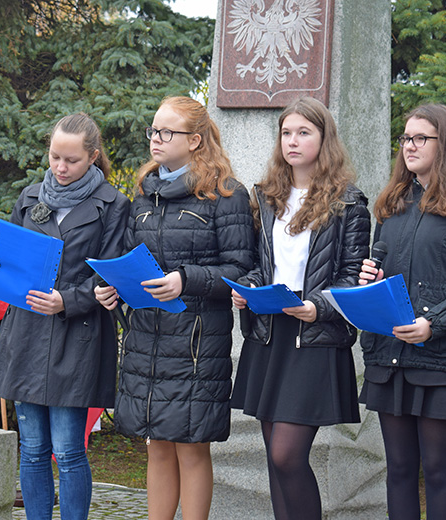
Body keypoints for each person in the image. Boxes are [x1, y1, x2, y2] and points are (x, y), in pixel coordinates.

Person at [95, 96, 255, 520]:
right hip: (147, 336)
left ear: (196, 140)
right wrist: (112, 289)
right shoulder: (145, 193)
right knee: (157, 444)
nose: (156, 140)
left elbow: (240, 268)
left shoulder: (226, 194)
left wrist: (187, 279)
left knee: (191, 445)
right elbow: (131, 258)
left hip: (196, 342)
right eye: (153, 130)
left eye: (167, 132)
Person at [358, 103, 446, 520]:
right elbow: (390, 271)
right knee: (399, 470)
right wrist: (370, 278)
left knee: (438, 472)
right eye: (405, 138)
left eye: (421, 138)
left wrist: (432, 324)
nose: (409, 145)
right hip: (391, 357)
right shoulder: (395, 201)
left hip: (440, 361)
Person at [228, 97, 371, 520]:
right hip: (269, 334)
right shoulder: (268, 196)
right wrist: (249, 288)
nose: (292, 141)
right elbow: (259, 264)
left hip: (314, 339)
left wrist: (318, 307)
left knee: (288, 455)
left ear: (324, 140)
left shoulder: (349, 203)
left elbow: (351, 276)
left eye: (303, 132)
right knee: (275, 458)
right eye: (286, 133)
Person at [0, 113, 129, 520]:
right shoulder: (31, 197)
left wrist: (69, 300)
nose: (61, 169)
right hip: (27, 333)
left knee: (67, 450)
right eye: (55, 158)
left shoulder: (113, 205)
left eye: (72, 161)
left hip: (77, 337)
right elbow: (12, 254)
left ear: (93, 158)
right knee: (31, 449)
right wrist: (0, 266)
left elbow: (111, 274)